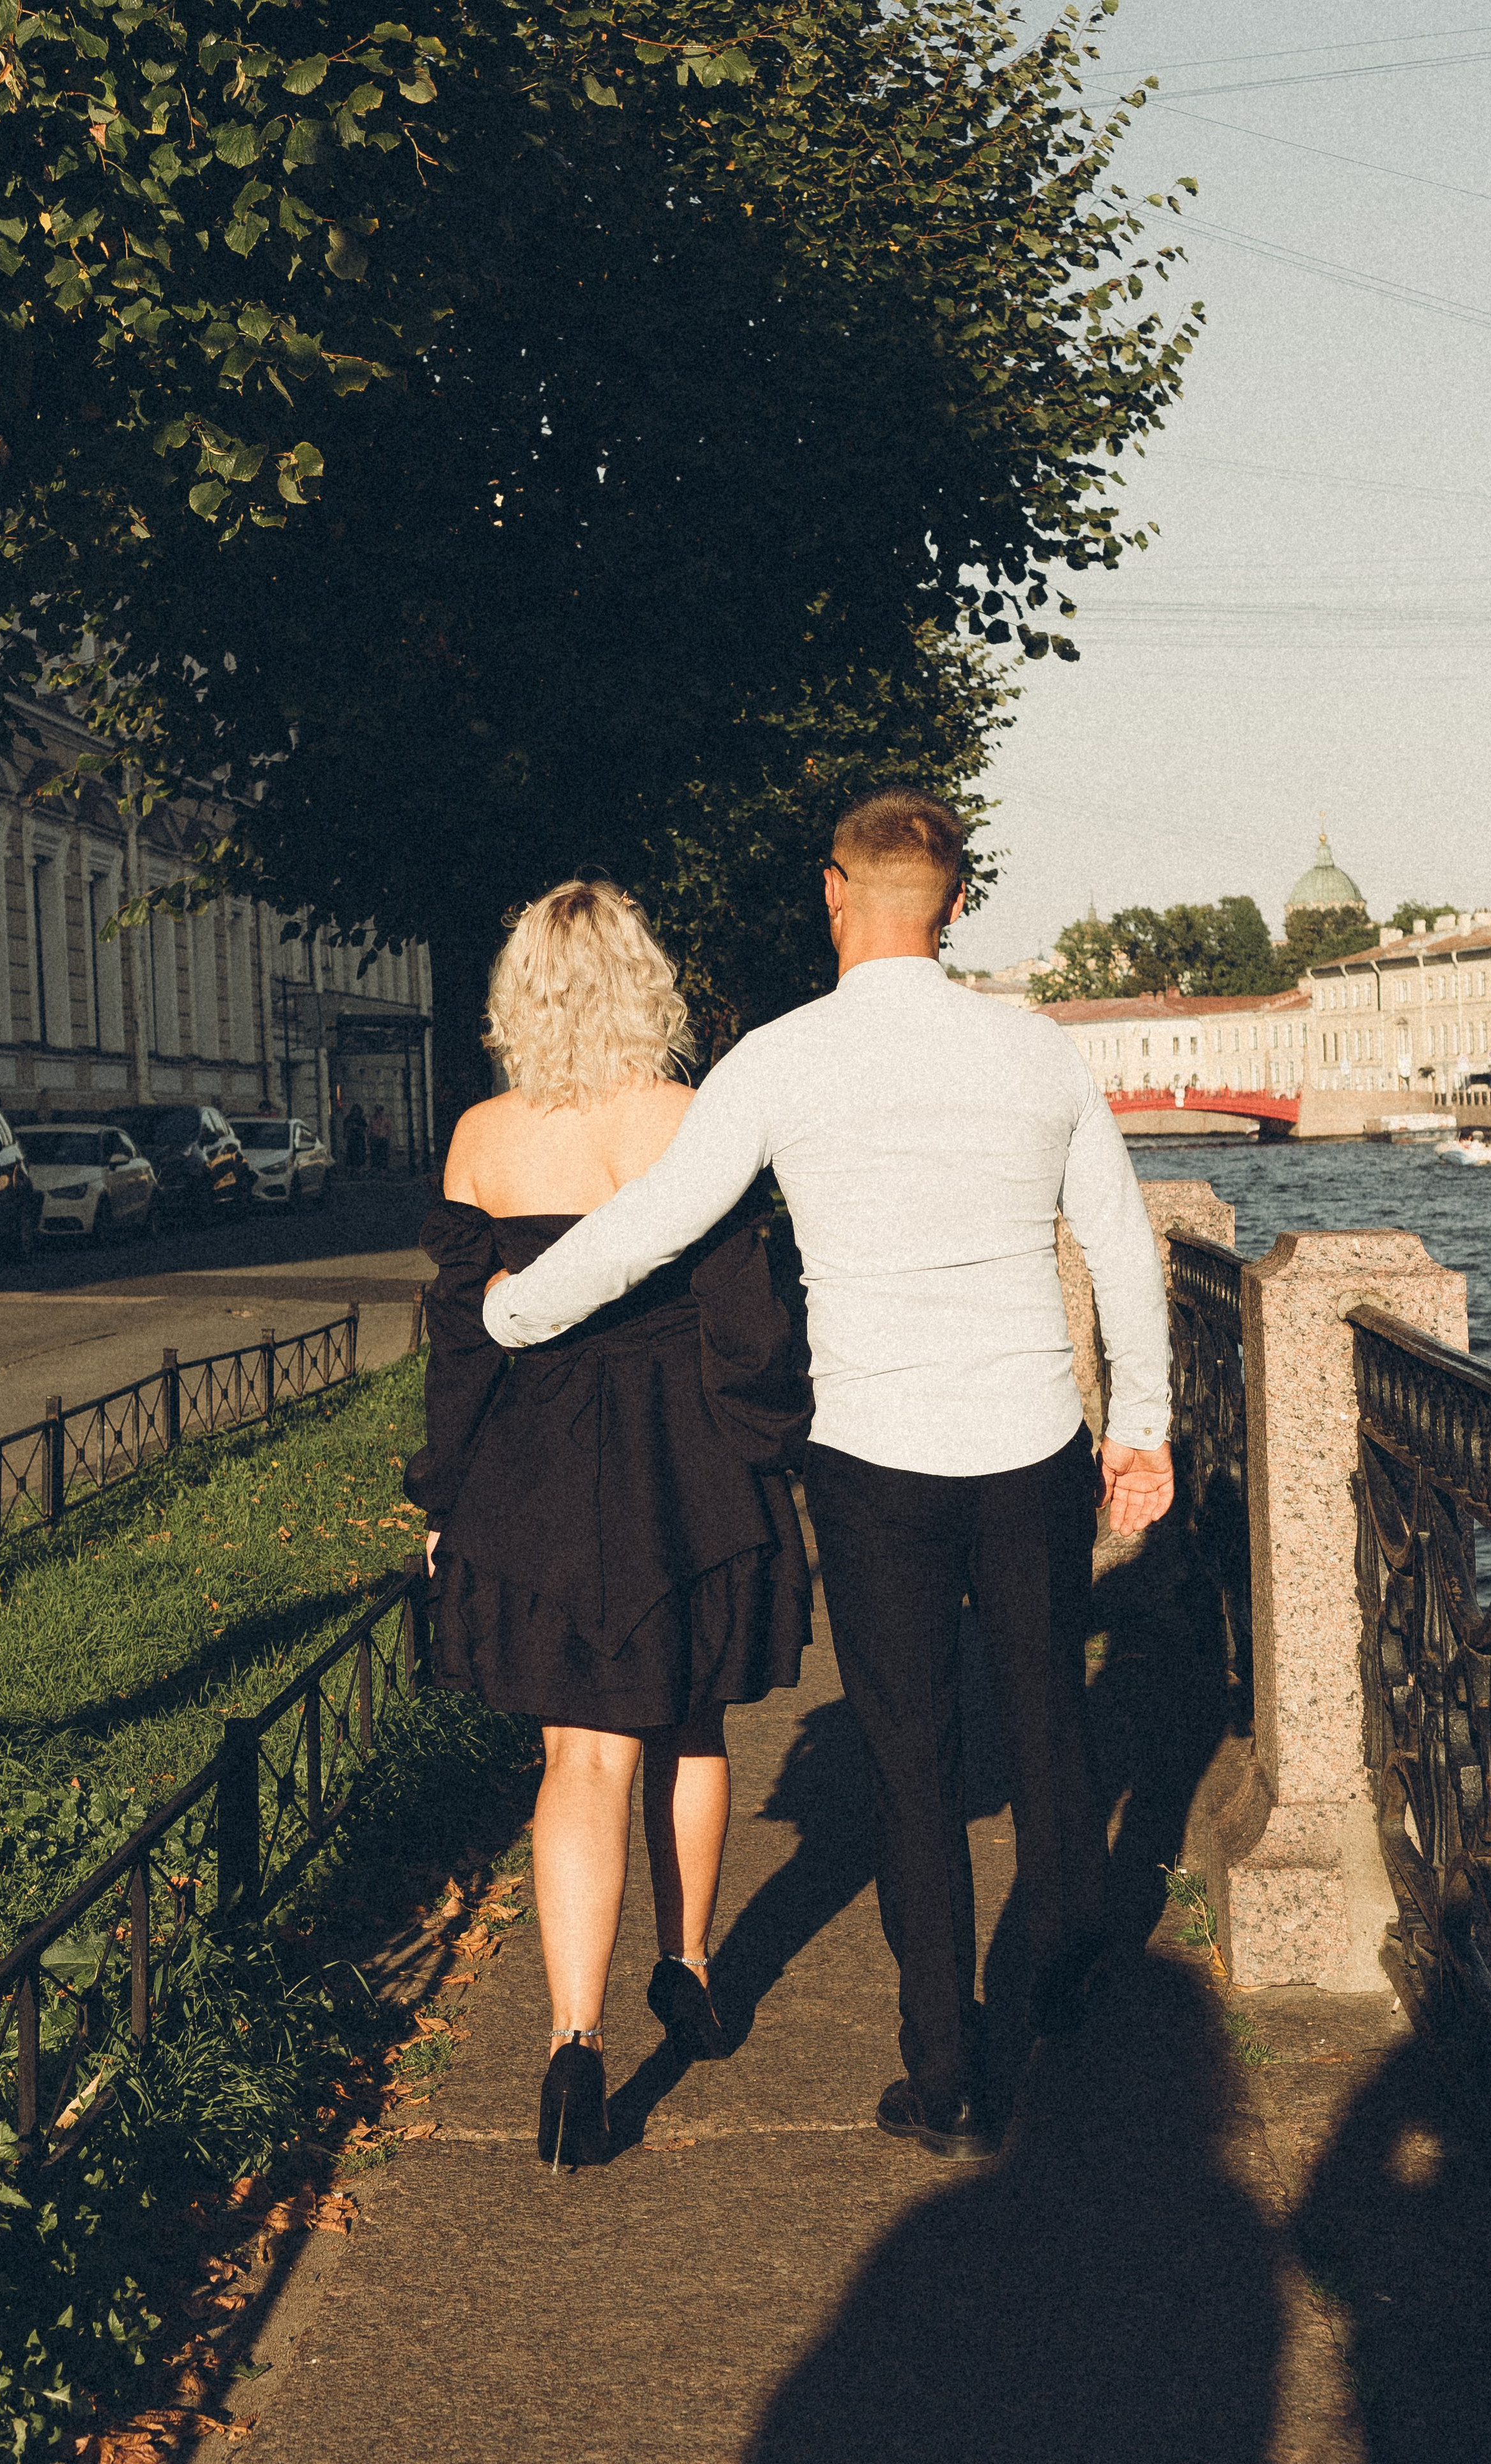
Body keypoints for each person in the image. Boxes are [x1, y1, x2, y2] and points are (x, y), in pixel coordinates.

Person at [484, 792, 1175, 2163]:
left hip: (871, 1464)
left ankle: (942, 2067)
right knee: (1049, 1723)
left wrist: (515, 1311)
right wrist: (1139, 1426)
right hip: (1030, 1441)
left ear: (831, 895)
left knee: (908, 1765)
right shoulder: (1036, 1053)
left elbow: (649, 1228)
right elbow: (1119, 1242)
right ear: (957, 905)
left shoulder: (779, 1063)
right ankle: (1066, 1954)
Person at [406, 882, 812, 2169]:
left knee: (578, 1760)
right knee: (688, 1718)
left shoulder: (480, 1138)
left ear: (517, 993)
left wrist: (445, 1492)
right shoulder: (689, 1122)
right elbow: (748, 1320)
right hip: (682, 1455)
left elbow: (462, 1347)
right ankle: (686, 1967)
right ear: (648, 985)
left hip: (533, 1463)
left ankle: (572, 2049)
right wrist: (767, 1457)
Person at [343, 1102, 368, 1173]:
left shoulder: (361, 1119)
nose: (356, 1112)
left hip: (359, 1139)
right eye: (354, 1110)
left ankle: (359, 1169)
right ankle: (351, 1169)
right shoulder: (349, 1118)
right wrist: (347, 1131)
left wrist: (358, 1127)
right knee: (351, 1154)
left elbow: (365, 1127)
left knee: (360, 1154)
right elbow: (345, 1127)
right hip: (352, 1139)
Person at [368, 1100, 393, 1173]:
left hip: (383, 1138)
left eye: (379, 1111)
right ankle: (375, 1168)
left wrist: (387, 1137)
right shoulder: (373, 1119)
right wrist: (370, 1138)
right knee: (375, 1154)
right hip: (375, 1138)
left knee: (383, 1154)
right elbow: (370, 1129)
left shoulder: (386, 1119)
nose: (378, 1112)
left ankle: (383, 1168)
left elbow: (389, 1129)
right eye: (377, 1111)